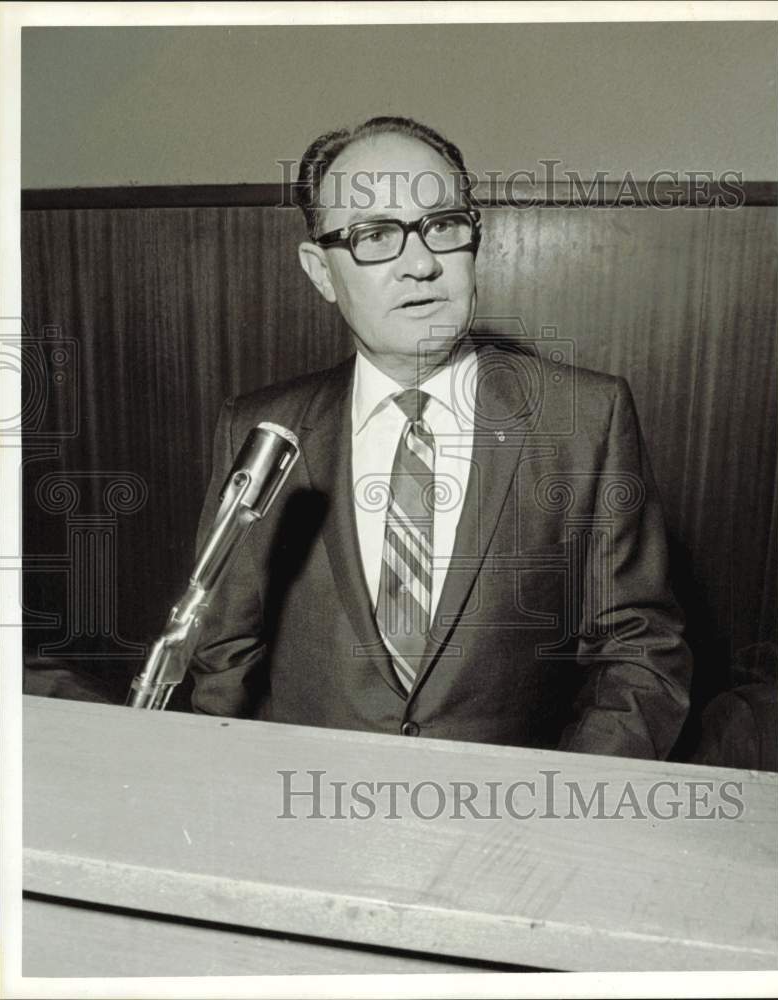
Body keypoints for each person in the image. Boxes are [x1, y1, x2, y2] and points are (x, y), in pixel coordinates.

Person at [189, 116, 692, 760]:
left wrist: (567, 810)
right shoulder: (266, 429)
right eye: (374, 235)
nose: (422, 263)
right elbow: (222, 654)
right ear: (320, 271)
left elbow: (639, 650)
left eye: (444, 226)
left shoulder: (586, 418)